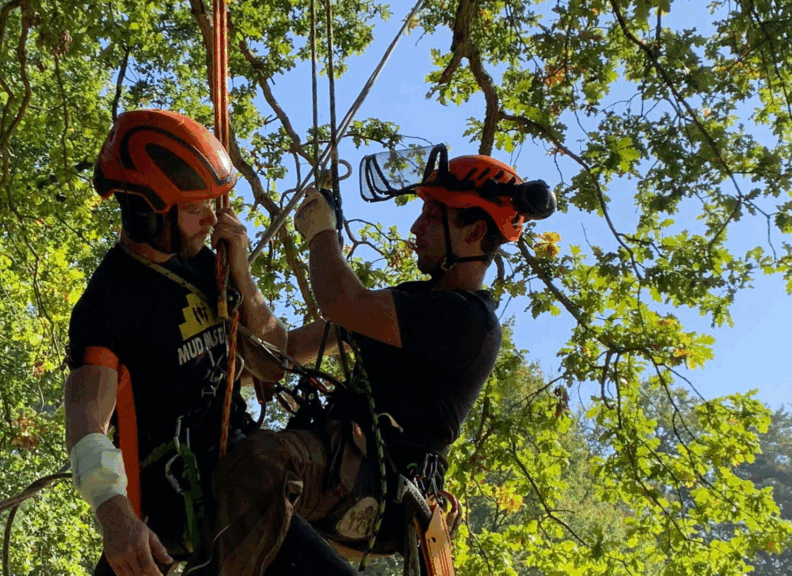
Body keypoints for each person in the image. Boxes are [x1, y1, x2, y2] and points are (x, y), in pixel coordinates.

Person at [208, 147, 555, 575]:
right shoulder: (412, 301)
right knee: (220, 459)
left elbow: (341, 300)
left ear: (472, 232)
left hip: (380, 487)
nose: (416, 227)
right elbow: (283, 352)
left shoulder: (468, 321)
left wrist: (322, 234)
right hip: (342, 470)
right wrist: (240, 271)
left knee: (263, 464)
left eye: (432, 215)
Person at [64, 109, 287, 576]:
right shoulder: (109, 301)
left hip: (246, 475)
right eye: (193, 208)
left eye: (210, 203)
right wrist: (115, 516)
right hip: (174, 502)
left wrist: (241, 275)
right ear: (147, 212)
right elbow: (87, 423)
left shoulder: (212, 266)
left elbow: (273, 365)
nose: (211, 218)